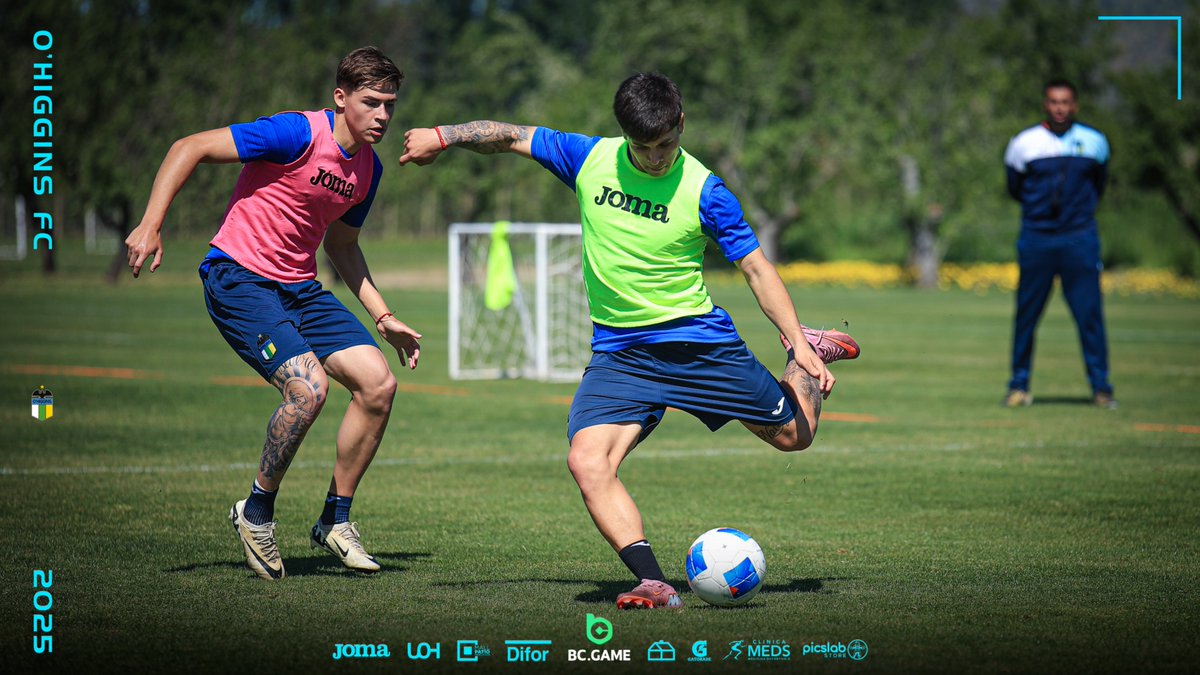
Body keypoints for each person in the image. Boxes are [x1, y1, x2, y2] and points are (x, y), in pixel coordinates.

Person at [399, 72, 859, 608]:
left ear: (681, 123)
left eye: (666, 143)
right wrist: (445, 134)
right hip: (621, 355)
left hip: (696, 344)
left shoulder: (705, 190)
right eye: (644, 147)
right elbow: (511, 135)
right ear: (624, 135)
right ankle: (653, 582)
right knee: (587, 462)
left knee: (793, 438)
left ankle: (807, 347)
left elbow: (756, 269)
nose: (658, 157)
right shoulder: (590, 159)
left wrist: (796, 347)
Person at [124, 47, 422, 580]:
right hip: (238, 278)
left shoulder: (368, 172)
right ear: (341, 98)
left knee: (378, 384)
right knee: (308, 388)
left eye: (390, 105)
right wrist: (151, 222)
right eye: (371, 102)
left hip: (299, 288)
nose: (382, 116)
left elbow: (344, 247)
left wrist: (384, 316)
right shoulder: (295, 134)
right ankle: (256, 512)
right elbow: (187, 146)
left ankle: (335, 520)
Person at [1003, 79, 1115, 409]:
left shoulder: (1095, 142)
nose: (1060, 107)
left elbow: (1100, 185)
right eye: (1053, 101)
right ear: (1045, 104)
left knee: (1089, 315)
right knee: (1026, 316)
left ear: (1075, 105)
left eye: (1065, 101)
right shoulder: (1025, 143)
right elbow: (1014, 188)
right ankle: (1018, 386)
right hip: (1037, 238)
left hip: (1079, 238)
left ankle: (1101, 388)